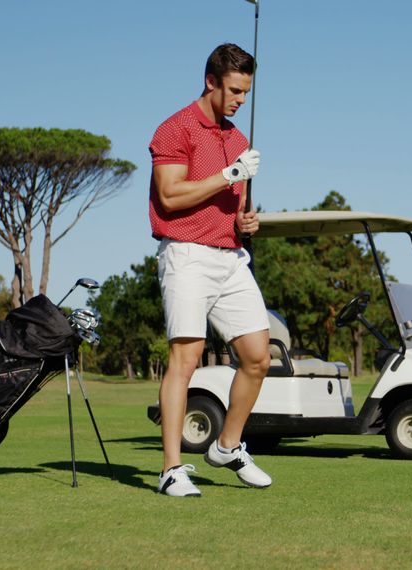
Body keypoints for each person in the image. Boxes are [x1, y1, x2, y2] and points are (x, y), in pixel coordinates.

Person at [148, 43, 272, 497]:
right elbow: (170, 197)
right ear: (211, 82)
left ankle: (227, 445)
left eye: (247, 92)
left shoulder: (238, 139)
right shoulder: (175, 128)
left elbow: (239, 207)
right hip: (185, 254)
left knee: (259, 356)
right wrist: (227, 175)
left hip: (230, 256)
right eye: (235, 90)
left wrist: (248, 220)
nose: (241, 99)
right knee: (187, 357)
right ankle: (171, 470)